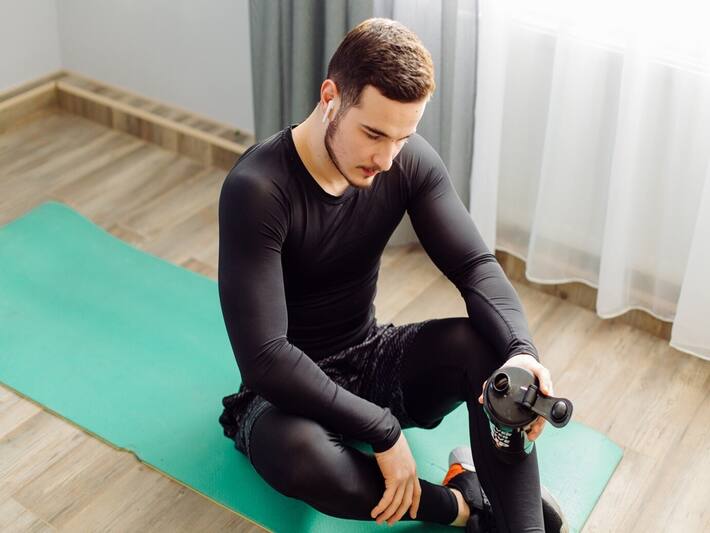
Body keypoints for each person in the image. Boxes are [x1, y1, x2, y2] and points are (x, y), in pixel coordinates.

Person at [217, 17, 567, 532]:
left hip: (370, 357)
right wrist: (381, 429)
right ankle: (464, 506)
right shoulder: (258, 189)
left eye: (403, 138)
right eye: (373, 134)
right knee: (303, 458)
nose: (385, 158)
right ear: (331, 97)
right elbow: (265, 358)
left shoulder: (406, 162)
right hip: (284, 394)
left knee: (491, 354)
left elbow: (475, 266)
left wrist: (522, 354)